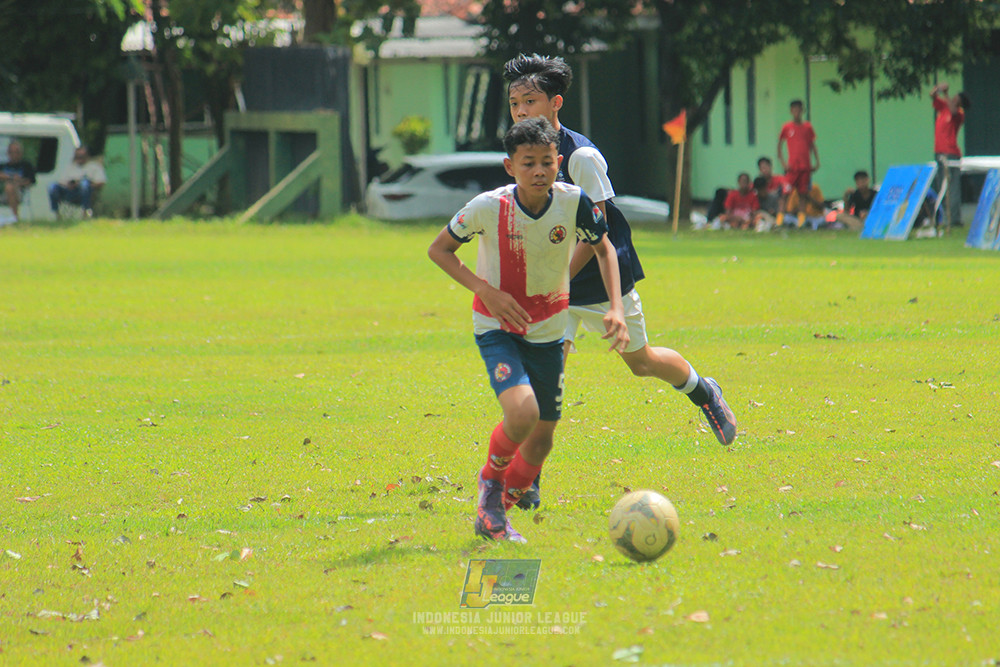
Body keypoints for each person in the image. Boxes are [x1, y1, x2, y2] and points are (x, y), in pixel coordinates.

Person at [502, 54, 738, 509]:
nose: (521, 111)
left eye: (530, 101)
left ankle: (704, 391)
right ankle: (527, 480)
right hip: (554, 287)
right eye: (515, 103)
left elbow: (597, 233)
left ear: (556, 103)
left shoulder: (581, 157)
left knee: (642, 363)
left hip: (598, 277)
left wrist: (558, 277)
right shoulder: (521, 152)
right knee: (544, 378)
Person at [427, 117, 629, 542]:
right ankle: (489, 488)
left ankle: (496, 516)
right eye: (528, 163)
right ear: (510, 166)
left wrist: (616, 308)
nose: (539, 171)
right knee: (522, 413)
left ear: (559, 162)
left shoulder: (574, 202)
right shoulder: (487, 207)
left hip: (550, 331)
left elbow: (604, 249)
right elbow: (439, 249)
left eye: (547, 162)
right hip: (498, 326)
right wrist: (486, 291)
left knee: (541, 442)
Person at [930, 82, 970, 228]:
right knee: (942, 186)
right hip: (939, 152)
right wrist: (937, 89)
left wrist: (946, 94)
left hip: (951, 153)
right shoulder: (944, 107)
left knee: (952, 187)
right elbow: (932, 96)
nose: (954, 98)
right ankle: (944, 218)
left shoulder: (959, 113)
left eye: (957, 98)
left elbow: (953, 111)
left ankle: (954, 219)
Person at [48, 146, 106, 218]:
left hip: (85, 192)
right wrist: (69, 185)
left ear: (87, 156)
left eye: (81, 156)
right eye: (77, 156)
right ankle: (56, 214)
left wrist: (80, 184)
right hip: (69, 191)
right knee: (52, 186)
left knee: (84, 183)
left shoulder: (94, 167)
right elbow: (61, 181)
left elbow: (101, 182)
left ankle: (85, 212)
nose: (78, 158)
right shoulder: (71, 167)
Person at [777, 100, 819, 196]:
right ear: (791, 111)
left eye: (799, 110)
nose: (797, 112)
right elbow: (779, 145)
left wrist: (816, 162)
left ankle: (802, 207)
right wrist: (783, 163)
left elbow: (812, 145)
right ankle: (783, 207)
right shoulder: (787, 127)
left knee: (803, 193)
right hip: (792, 167)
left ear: (802, 110)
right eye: (794, 110)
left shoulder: (808, 127)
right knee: (785, 192)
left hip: (805, 166)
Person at [0, 141, 37, 222]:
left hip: (19, 191)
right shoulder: (3, 166)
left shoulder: (26, 166)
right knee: (8, 187)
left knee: (9, 187)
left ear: (21, 153)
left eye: (16, 152)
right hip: (2, 192)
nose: (14, 154)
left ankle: (15, 217)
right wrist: (10, 177)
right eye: (11, 152)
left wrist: (18, 182)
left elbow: (31, 181)